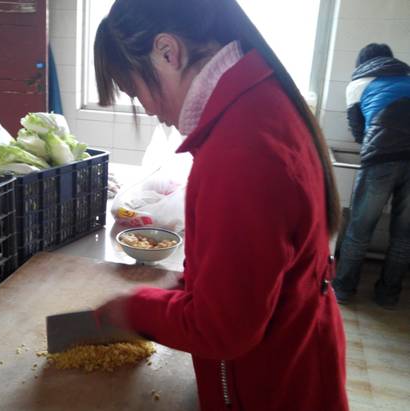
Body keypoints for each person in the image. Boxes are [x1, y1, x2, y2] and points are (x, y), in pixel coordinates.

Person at [94, 1, 348, 410]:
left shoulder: (241, 150)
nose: (150, 109)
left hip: (275, 390)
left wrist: (134, 309)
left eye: (136, 91)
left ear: (167, 52)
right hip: (295, 363)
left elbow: (222, 330)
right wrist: (183, 294)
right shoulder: (260, 104)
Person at [333, 43, 410, 308]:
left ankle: (343, 290)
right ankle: (388, 296)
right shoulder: (407, 77)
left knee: (359, 230)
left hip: (381, 159)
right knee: (404, 236)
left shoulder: (358, 83)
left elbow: (358, 131)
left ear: (362, 62)